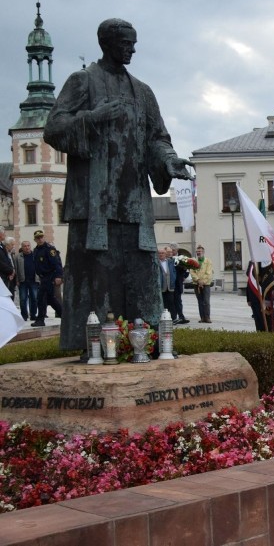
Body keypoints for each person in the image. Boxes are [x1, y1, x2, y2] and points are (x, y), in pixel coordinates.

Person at [43, 18, 194, 349]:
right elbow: (53, 129)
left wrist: (169, 160)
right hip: (95, 205)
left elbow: (158, 138)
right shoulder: (83, 82)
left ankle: (149, 345)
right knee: (97, 280)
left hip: (134, 203)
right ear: (106, 43)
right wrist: (93, 118)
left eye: (134, 42)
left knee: (141, 278)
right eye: (126, 42)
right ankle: (96, 348)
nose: (133, 48)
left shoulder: (142, 91)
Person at [31, 230, 63, 327]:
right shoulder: (36, 250)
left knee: (41, 298)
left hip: (50, 276)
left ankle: (40, 319)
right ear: (35, 239)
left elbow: (57, 263)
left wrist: (58, 276)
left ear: (44, 237)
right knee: (51, 299)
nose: (40, 239)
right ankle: (64, 315)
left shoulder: (49, 249)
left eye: (41, 237)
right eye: (38, 238)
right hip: (42, 277)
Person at [246, 261, 274, 332]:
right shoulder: (253, 262)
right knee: (258, 320)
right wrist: (248, 298)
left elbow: (271, 279)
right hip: (254, 296)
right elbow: (249, 280)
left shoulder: (268, 262)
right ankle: (260, 335)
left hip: (266, 297)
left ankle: (267, 335)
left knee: (267, 321)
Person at [16, 241, 38, 322]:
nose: (27, 247)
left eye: (28, 245)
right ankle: (24, 315)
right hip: (23, 281)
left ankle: (33, 315)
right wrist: (17, 280)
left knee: (34, 298)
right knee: (23, 299)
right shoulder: (18, 257)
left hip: (34, 280)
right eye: (25, 246)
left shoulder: (35, 255)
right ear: (22, 247)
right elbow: (16, 269)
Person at [190, 245, 213, 323]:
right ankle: (202, 317)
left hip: (206, 284)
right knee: (200, 301)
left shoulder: (208, 261)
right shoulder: (194, 261)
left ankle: (207, 317)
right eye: (197, 252)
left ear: (203, 252)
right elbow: (192, 272)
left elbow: (209, 273)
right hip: (196, 284)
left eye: (200, 251)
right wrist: (198, 280)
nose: (198, 253)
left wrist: (202, 281)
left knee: (206, 301)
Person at [169, 243, 190, 325]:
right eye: (171, 250)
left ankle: (181, 317)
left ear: (177, 250)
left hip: (178, 282)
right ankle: (173, 317)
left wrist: (184, 276)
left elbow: (187, 269)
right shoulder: (169, 258)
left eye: (173, 250)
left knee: (178, 300)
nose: (172, 252)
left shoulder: (182, 258)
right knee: (171, 301)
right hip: (170, 283)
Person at [158, 248, 177, 322]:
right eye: (159, 253)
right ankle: (163, 318)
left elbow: (174, 271)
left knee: (171, 302)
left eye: (162, 253)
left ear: (166, 254)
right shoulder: (156, 262)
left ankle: (173, 318)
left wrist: (173, 279)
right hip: (161, 287)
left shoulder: (170, 262)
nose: (161, 254)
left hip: (170, 286)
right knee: (162, 303)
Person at [0, 228, 14, 296]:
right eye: (4, 233)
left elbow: (8, 260)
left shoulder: (2, 246)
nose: (5, 235)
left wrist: (11, 270)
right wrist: (10, 270)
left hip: (6, 275)